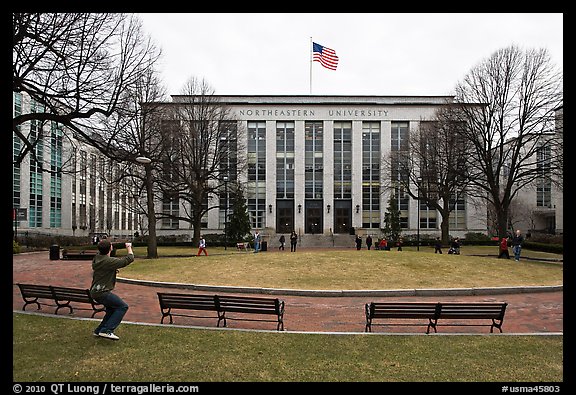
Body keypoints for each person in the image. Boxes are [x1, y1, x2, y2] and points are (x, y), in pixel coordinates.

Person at [89, 239, 134, 340]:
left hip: (95, 291)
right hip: (102, 292)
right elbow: (129, 258)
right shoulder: (108, 261)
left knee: (112, 310)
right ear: (110, 248)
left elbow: (104, 251)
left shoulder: (97, 258)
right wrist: (128, 247)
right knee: (123, 306)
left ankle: (99, 330)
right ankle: (107, 330)